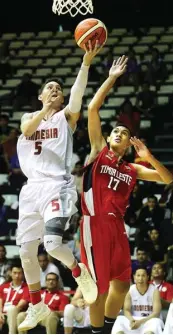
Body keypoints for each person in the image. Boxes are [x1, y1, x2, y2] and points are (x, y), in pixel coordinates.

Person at [80, 55, 173, 334]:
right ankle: (98, 333)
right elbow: (93, 109)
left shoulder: (132, 168)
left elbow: (168, 179)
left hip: (118, 227)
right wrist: (112, 78)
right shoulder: (99, 152)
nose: (119, 133)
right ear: (108, 138)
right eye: (116, 131)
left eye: (124, 132)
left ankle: (104, 330)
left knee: (121, 286)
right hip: (94, 223)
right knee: (99, 288)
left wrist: (149, 157)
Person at [16, 41, 101, 332]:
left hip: (57, 186)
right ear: (40, 96)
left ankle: (80, 272)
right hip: (31, 190)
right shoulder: (29, 118)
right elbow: (27, 129)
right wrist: (46, 109)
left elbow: (77, 98)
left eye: (58, 88)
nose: (55, 91)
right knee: (26, 252)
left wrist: (86, 63)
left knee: (52, 245)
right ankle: (37, 305)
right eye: (49, 88)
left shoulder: (66, 118)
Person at [112, 267, 164, 334]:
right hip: (134, 319)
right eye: (138, 275)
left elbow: (156, 313)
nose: (140, 278)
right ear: (134, 277)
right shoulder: (130, 290)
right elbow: (126, 310)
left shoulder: (154, 290)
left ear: (148, 277)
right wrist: (132, 320)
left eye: (143, 275)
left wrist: (140, 322)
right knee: (119, 319)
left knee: (156, 321)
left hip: (149, 320)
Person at [0, 262, 29, 334]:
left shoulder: (27, 287)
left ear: (23, 274)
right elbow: (0, 301)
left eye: (19, 273)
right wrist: (0, 313)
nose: (17, 275)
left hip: (17, 312)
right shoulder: (3, 286)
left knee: (12, 309)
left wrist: (6, 314)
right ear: (10, 273)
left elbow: (20, 305)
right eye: (15, 273)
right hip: (3, 313)